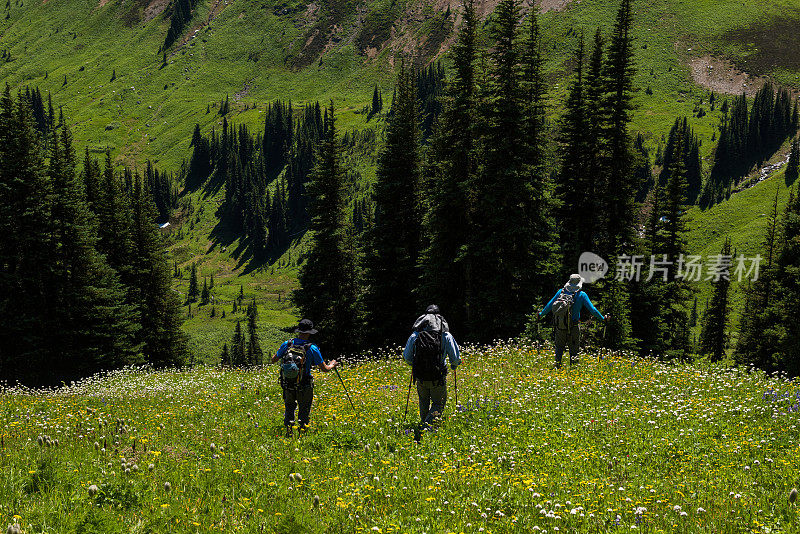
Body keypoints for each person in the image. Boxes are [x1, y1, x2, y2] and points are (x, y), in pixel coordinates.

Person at [271, 319, 338, 437]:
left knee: (289, 408)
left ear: (299, 331)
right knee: (304, 409)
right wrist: (332, 364)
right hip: (304, 384)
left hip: (288, 384)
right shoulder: (312, 348)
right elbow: (324, 369)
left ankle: (289, 433)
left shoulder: (287, 344)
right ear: (309, 332)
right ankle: (302, 433)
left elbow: (273, 359)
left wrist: (279, 354)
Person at [403, 305, 461, 440]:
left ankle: (424, 428)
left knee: (423, 401)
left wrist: (415, 365)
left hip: (421, 377)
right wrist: (454, 365)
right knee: (438, 403)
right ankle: (426, 429)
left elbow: (407, 357)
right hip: (438, 377)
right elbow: (456, 358)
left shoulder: (416, 335)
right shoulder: (445, 334)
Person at [538, 274, 608, 368]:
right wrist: (603, 319)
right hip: (573, 327)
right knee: (574, 350)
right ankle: (573, 370)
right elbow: (593, 310)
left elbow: (549, 305)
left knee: (559, 348)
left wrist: (540, 315)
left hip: (560, 325)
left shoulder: (560, 292)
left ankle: (557, 367)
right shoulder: (582, 295)